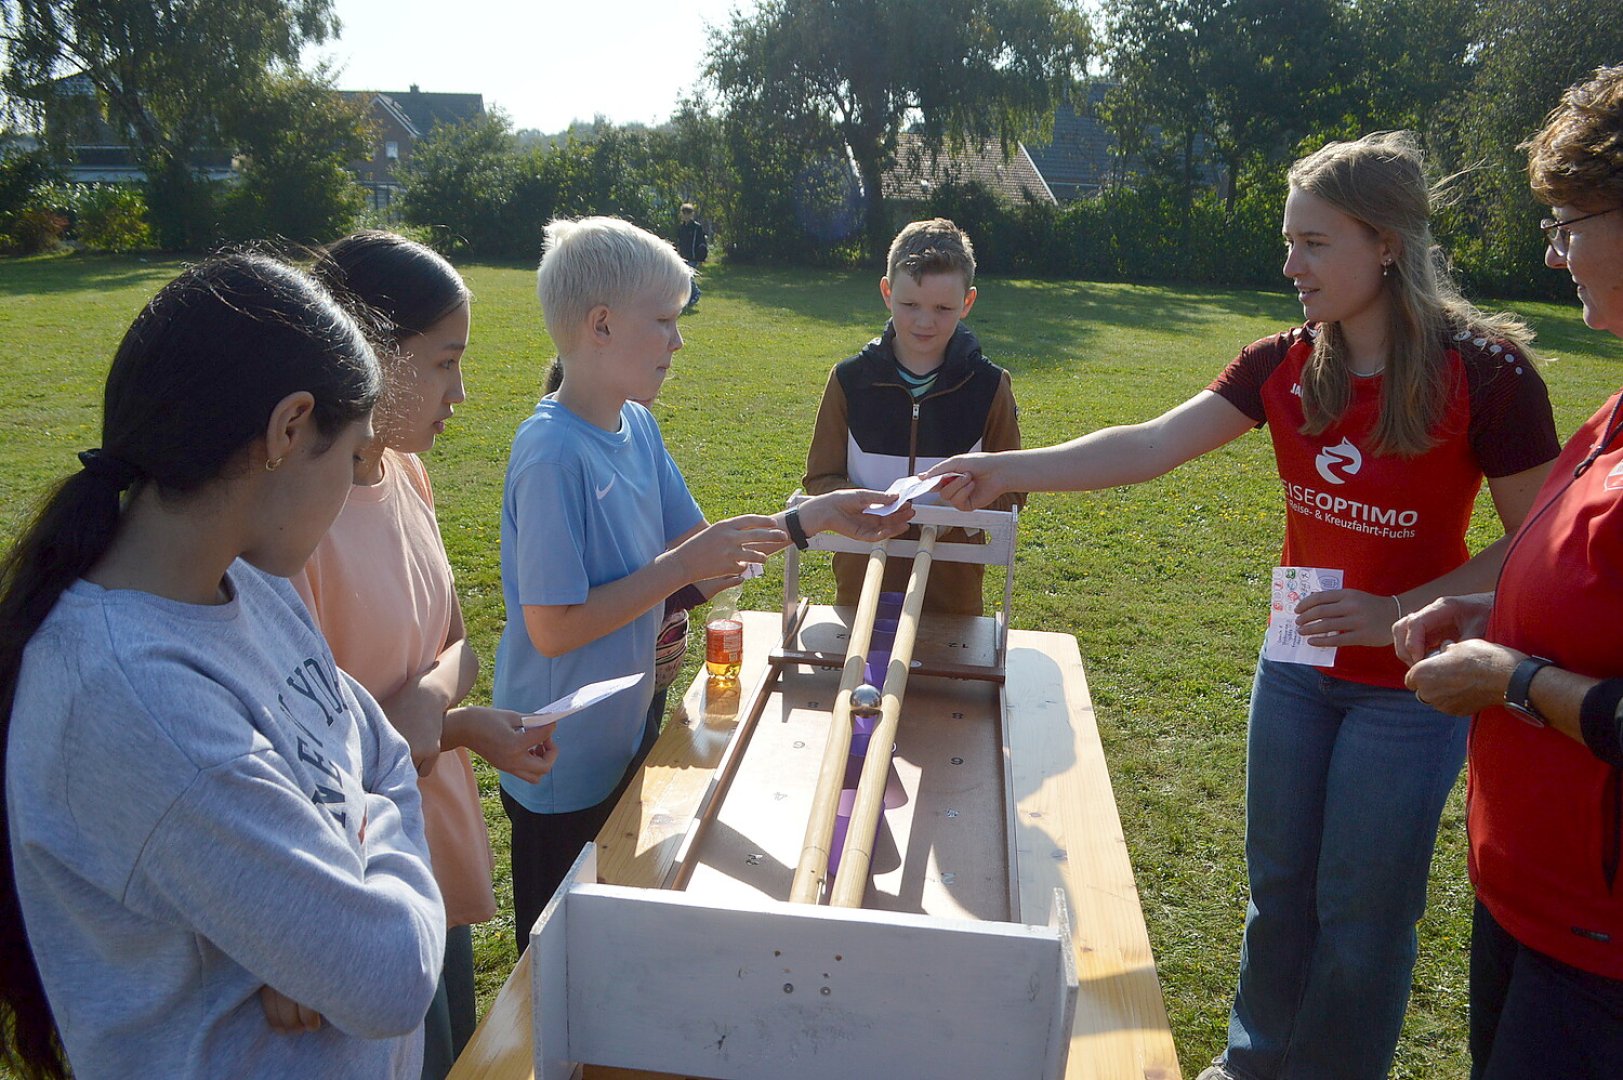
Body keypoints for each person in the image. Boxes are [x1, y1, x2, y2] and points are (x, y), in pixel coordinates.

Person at [926, 131, 1561, 1080]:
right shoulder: (1283, 362)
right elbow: (1148, 445)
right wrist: (997, 468)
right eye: (1287, 240)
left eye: (1312, 242)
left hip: (1410, 685)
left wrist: (1400, 601)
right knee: (1278, 892)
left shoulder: (1487, 374)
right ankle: (1252, 1061)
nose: (1288, 264)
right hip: (1296, 667)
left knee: (1362, 913)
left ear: (1383, 243)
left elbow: (1535, 540)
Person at [0, 254, 444, 1079]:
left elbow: (377, 744)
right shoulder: (136, 701)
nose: (354, 488)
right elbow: (391, 976)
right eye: (349, 459)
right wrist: (358, 872)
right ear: (288, 429)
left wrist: (331, 894)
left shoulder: (246, 584)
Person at [494, 216, 912, 954]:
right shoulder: (552, 453)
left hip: (627, 723)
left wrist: (804, 522)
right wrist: (680, 571)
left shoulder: (636, 427)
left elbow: (700, 556)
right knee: (555, 963)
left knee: (614, 930)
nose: (677, 343)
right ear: (599, 326)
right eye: (663, 323)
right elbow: (553, 627)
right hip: (556, 755)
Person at [1398, 66, 1623, 1080]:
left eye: (1572, 221)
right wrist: (1490, 607)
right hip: (1530, 905)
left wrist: (1511, 681)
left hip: (1601, 955)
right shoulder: (1614, 414)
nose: (1553, 249)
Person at [302, 231, 559, 1080]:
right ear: (368, 353)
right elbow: (307, 738)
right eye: (445, 363)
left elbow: (457, 642)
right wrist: (428, 725)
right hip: (355, 876)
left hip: (430, 846)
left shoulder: (406, 473)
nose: (462, 391)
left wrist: (443, 717)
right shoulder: (296, 522)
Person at [804, 217, 1022, 615]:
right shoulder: (848, 381)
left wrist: (968, 502)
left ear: (968, 302)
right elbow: (820, 480)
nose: (925, 321)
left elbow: (1013, 492)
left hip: (951, 591)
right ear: (887, 293)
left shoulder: (990, 388)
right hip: (860, 583)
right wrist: (866, 506)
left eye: (943, 308)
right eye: (910, 305)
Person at [675, 203, 707, 311]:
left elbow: (702, 242)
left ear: (692, 214)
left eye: (688, 213)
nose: (686, 215)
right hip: (683, 256)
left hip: (693, 257)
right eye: (684, 213)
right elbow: (679, 242)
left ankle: (696, 293)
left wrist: (701, 257)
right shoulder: (681, 228)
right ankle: (688, 297)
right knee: (684, 278)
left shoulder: (697, 227)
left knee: (689, 277)